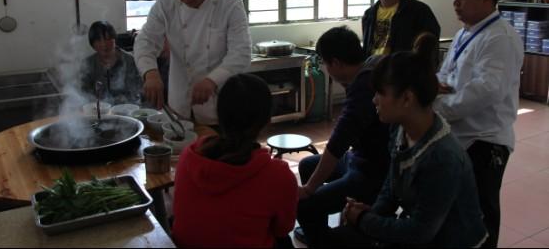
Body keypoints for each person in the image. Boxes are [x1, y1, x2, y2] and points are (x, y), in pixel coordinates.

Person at [328, 33, 488, 247]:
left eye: (380, 94)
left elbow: (419, 233)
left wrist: (364, 220)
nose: (374, 100)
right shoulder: (399, 128)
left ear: (406, 99)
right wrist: (370, 212)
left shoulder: (442, 157)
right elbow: (391, 187)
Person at [434, 0, 524, 248]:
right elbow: (445, 76)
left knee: (481, 216)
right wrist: (434, 90)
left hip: (486, 141)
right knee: (457, 211)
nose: (456, 3)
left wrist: (437, 107)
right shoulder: (464, 32)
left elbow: (484, 92)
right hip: (458, 134)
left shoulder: (500, 38)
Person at [171, 73, 298, 248]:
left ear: (219, 115)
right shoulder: (278, 175)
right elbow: (283, 229)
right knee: (285, 242)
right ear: (267, 120)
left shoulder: (189, 156)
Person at [295, 26, 390, 247]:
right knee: (308, 165)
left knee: (304, 204)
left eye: (327, 64)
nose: (327, 70)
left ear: (336, 63)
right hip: (358, 157)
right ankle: (320, 232)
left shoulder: (363, 87)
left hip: (372, 170)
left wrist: (309, 189)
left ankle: (326, 242)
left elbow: (336, 145)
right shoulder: (372, 64)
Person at [80, 21, 142, 104]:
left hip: (127, 109)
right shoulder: (88, 63)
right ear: (92, 44)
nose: (104, 44)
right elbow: (84, 93)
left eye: (108, 39)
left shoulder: (129, 60)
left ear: (115, 39)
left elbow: (136, 91)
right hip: (98, 110)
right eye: (99, 40)